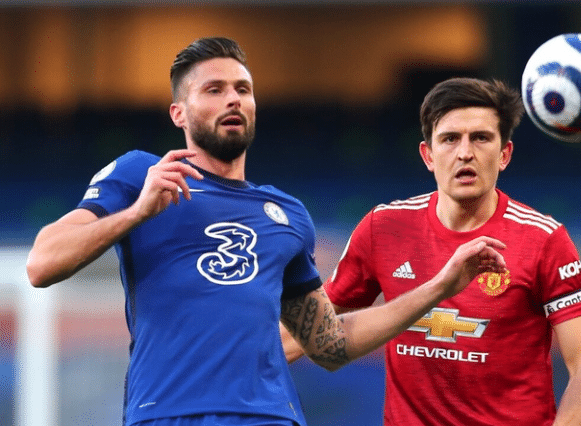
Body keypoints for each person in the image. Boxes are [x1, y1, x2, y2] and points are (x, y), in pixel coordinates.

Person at [25, 38, 508, 426]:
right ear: (179, 113)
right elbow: (42, 264)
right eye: (214, 89)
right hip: (169, 413)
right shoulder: (142, 175)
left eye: (243, 88)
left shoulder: (286, 213)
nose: (233, 98)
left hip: (271, 415)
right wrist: (137, 212)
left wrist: (440, 286)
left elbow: (329, 344)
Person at [282, 77, 581, 426]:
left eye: (480, 138)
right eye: (450, 139)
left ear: (504, 155)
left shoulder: (543, 239)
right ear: (428, 155)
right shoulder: (384, 227)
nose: (465, 152)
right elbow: (307, 333)